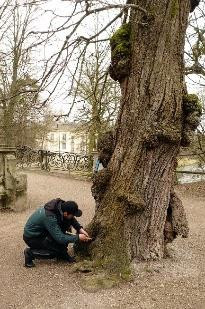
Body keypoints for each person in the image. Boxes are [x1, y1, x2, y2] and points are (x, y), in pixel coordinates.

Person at [23, 198, 91, 267]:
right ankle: (30, 253)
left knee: (63, 237)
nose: (73, 216)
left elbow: (71, 218)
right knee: (54, 252)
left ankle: (62, 255)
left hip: (43, 232)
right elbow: (60, 238)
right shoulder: (50, 217)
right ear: (65, 213)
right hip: (32, 237)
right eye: (73, 214)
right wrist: (78, 237)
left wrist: (79, 229)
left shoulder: (60, 207)